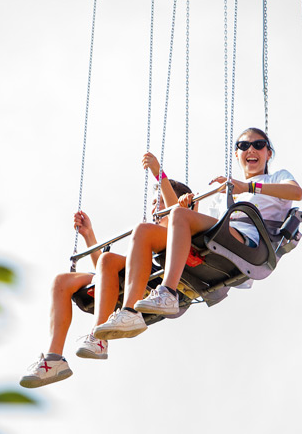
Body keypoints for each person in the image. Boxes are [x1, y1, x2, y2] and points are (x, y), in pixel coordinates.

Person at [92, 127, 302, 340]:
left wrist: (247, 187)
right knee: (144, 230)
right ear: (237, 154)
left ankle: (168, 293)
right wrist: (190, 209)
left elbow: (297, 192)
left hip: (251, 244)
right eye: (244, 145)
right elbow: (200, 229)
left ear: (268, 153)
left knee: (180, 215)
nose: (251, 149)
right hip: (223, 237)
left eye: (258, 145)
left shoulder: (275, 178)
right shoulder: (224, 192)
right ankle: (130, 313)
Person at [20, 153, 189, 388]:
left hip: (154, 277)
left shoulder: (177, 227)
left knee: (112, 257)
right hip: (130, 275)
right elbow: (103, 268)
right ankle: (54, 358)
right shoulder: (147, 238)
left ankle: (98, 338)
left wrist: (159, 173)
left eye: (158, 199)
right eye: (152, 202)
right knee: (62, 281)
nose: (154, 205)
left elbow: (174, 211)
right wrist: (89, 235)